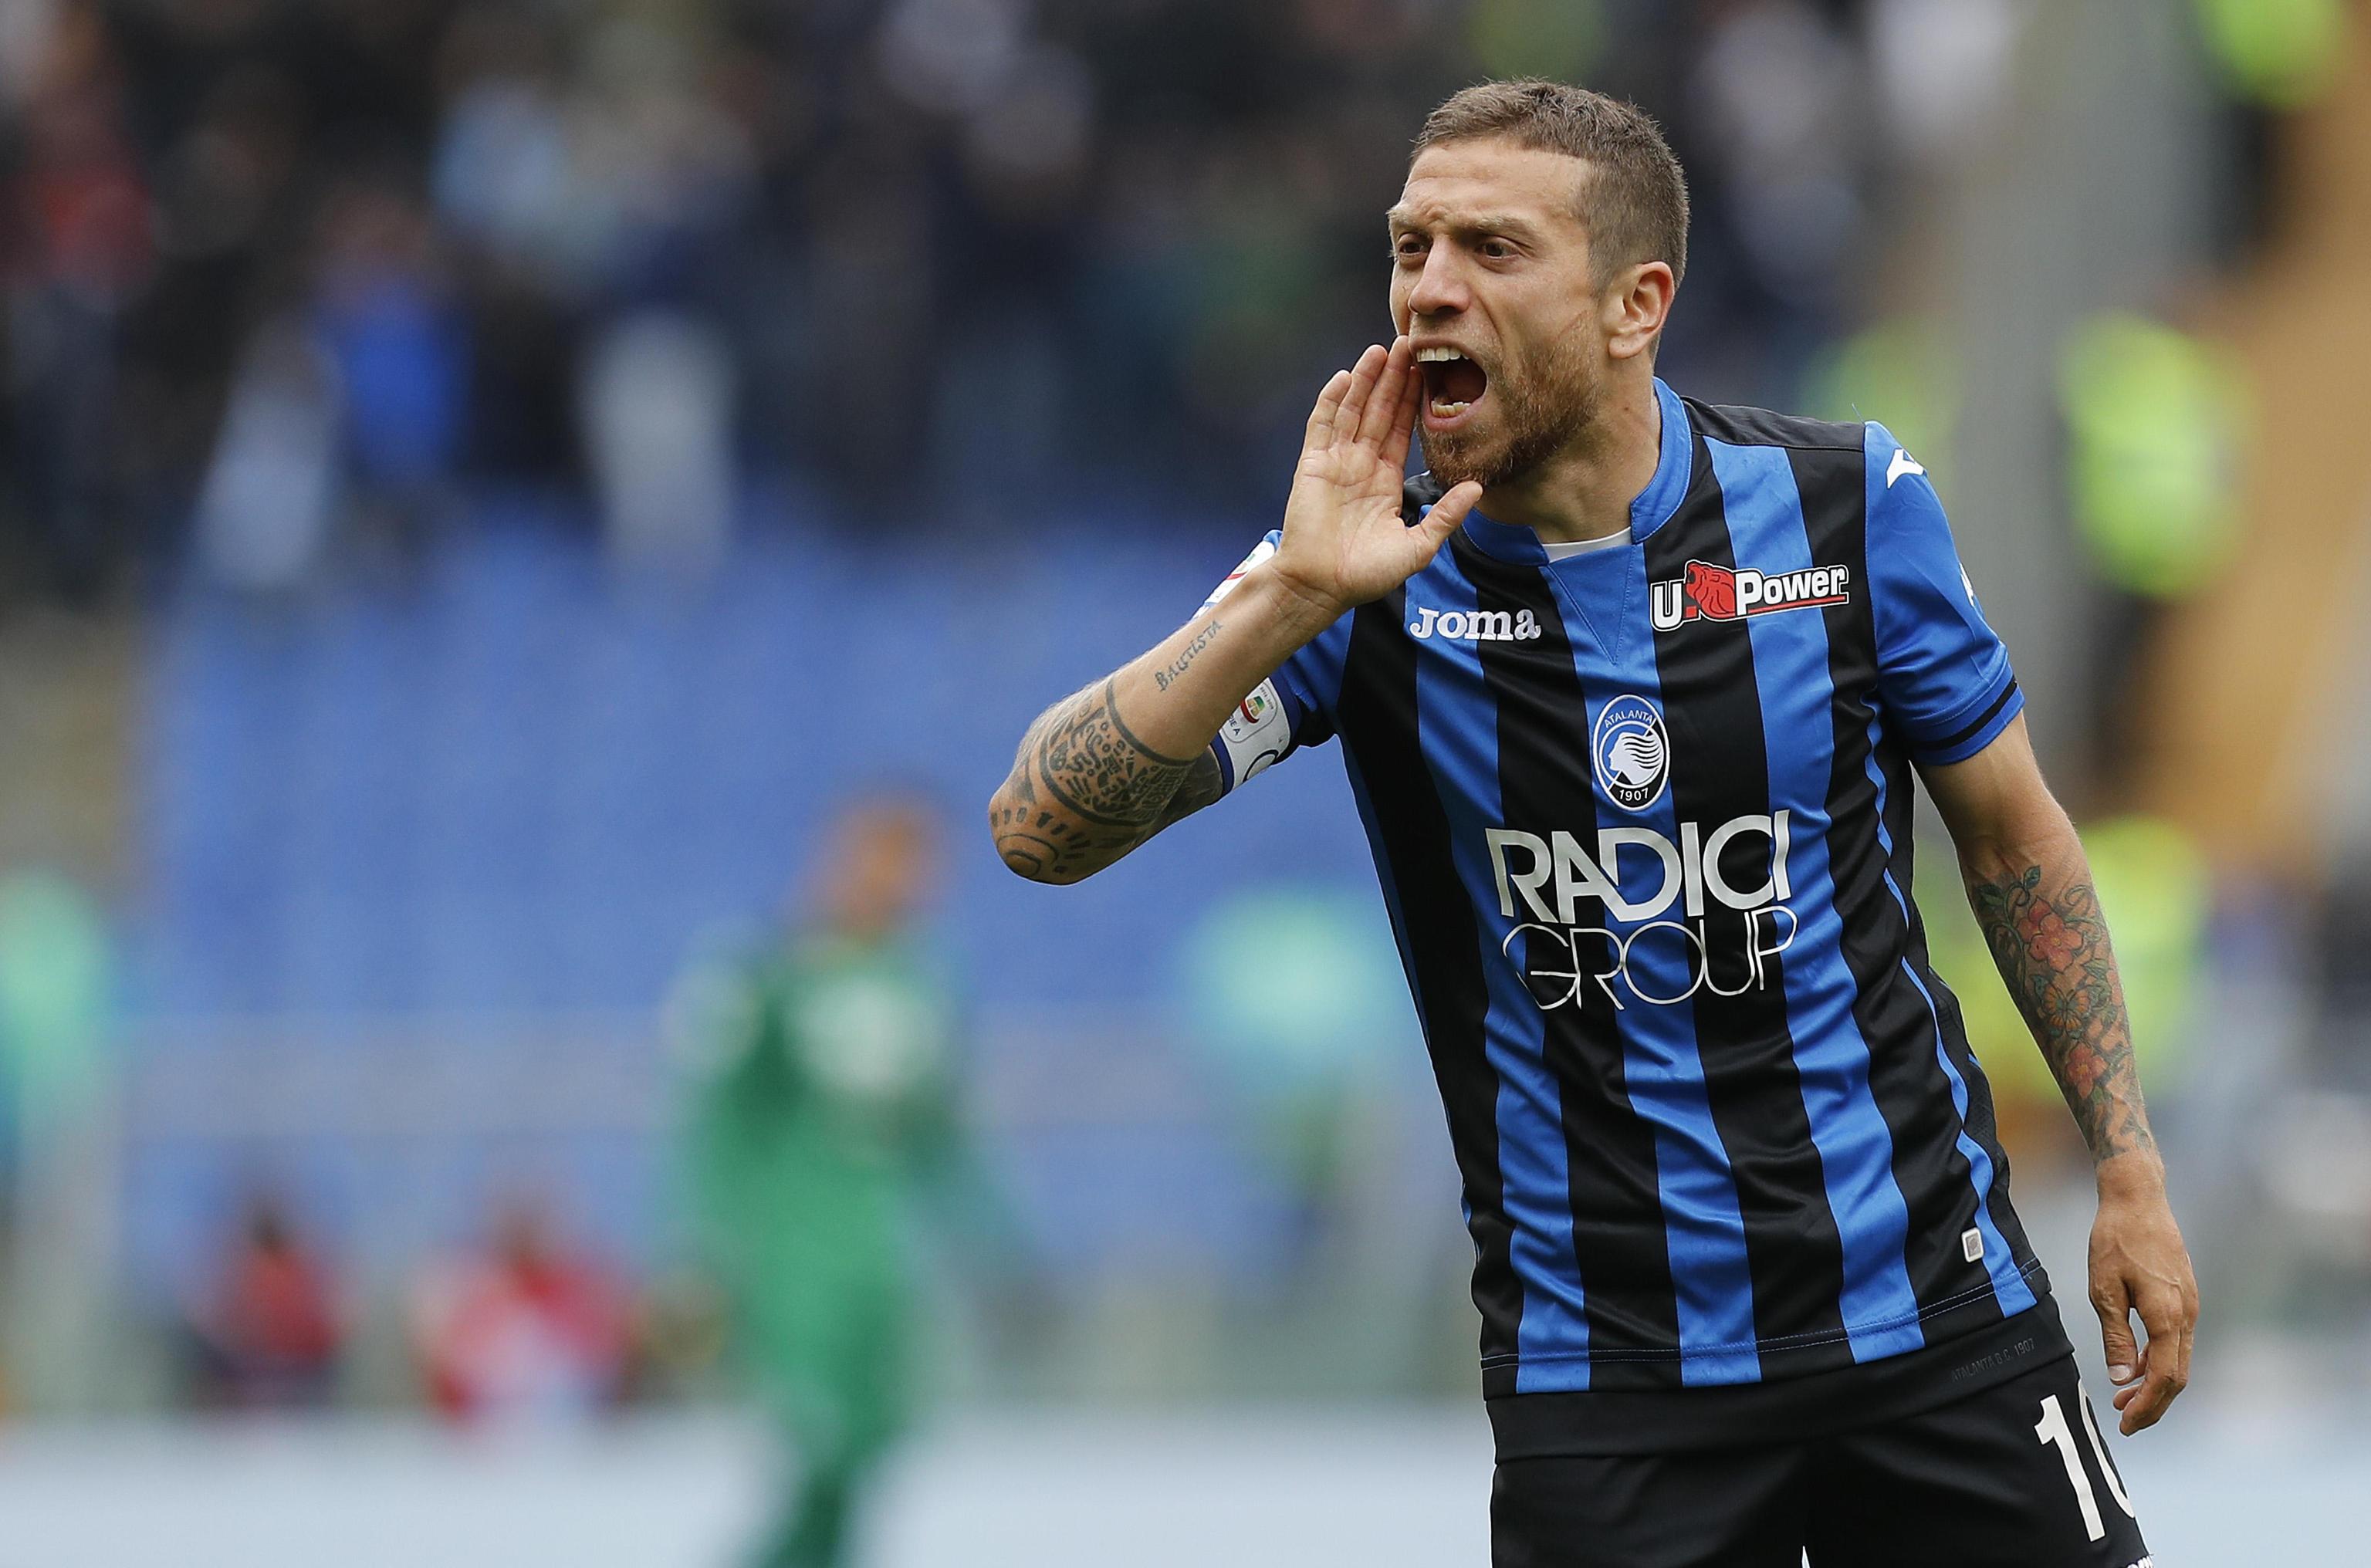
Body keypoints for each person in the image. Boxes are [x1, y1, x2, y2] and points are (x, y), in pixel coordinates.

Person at [990, 79, 2195, 1568]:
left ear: (1636, 302)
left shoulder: (1844, 509)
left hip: (1932, 1317)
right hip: (1608, 1384)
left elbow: (2012, 839)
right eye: (1409, 244)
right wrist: (1290, 598)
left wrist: (2126, 1162)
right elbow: (1036, 828)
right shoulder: (1356, 578)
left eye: (1490, 250)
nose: (1429, 289)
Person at [677, 796, 1018, 1568]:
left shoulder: (925, 979)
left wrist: (1002, 1246)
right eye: (886, 854)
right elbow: (716, 1124)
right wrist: (696, 1249)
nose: (904, 879)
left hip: (882, 1268)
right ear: (839, 854)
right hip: (791, 1263)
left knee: (864, 1465)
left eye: (920, 861)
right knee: (819, 1456)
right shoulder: (768, 970)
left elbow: (943, 1138)